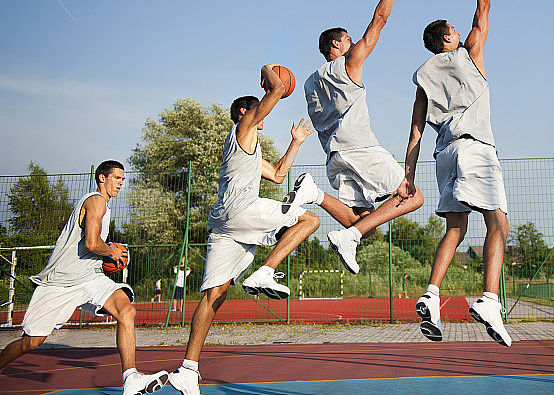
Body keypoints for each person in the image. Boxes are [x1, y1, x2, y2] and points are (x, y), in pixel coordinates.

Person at [169, 65, 321, 395]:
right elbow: (278, 89)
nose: (261, 111)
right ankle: (266, 271)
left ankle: (187, 369)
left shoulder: (247, 148)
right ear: (244, 111)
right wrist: (267, 72)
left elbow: (279, 175)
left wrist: (295, 142)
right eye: (256, 106)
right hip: (240, 209)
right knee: (310, 220)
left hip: (224, 221)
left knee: (214, 294)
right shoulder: (243, 127)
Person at [397, 0, 511, 346]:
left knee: (456, 228)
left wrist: (407, 176)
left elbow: (414, 130)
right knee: (499, 223)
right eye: (453, 30)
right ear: (448, 38)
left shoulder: (424, 76)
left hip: (442, 153)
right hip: (475, 147)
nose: (461, 31)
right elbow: (484, 6)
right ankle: (489, 298)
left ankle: (431, 294)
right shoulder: (469, 54)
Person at [0, 160, 169, 395]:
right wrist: (112, 251)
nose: (121, 183)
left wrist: (70, 228)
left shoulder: (96, 206)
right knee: (32, 342)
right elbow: (92, 243)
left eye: (123, 179)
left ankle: (131, 379)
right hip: (60, 283)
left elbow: (67, 227)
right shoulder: (96, 201)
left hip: (90, 277)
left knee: (126, 311)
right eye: (116, 178)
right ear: (102, 177)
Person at [304, 0, 424, 274]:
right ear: (336, 47)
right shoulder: (349, 64)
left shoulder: (309, 83)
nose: (353, 42)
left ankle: (314, 194)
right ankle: (350, 236)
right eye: (347, 40)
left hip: (334, 156)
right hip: (360, 148)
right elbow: (379, 22)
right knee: (412, 196)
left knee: (360, 221)